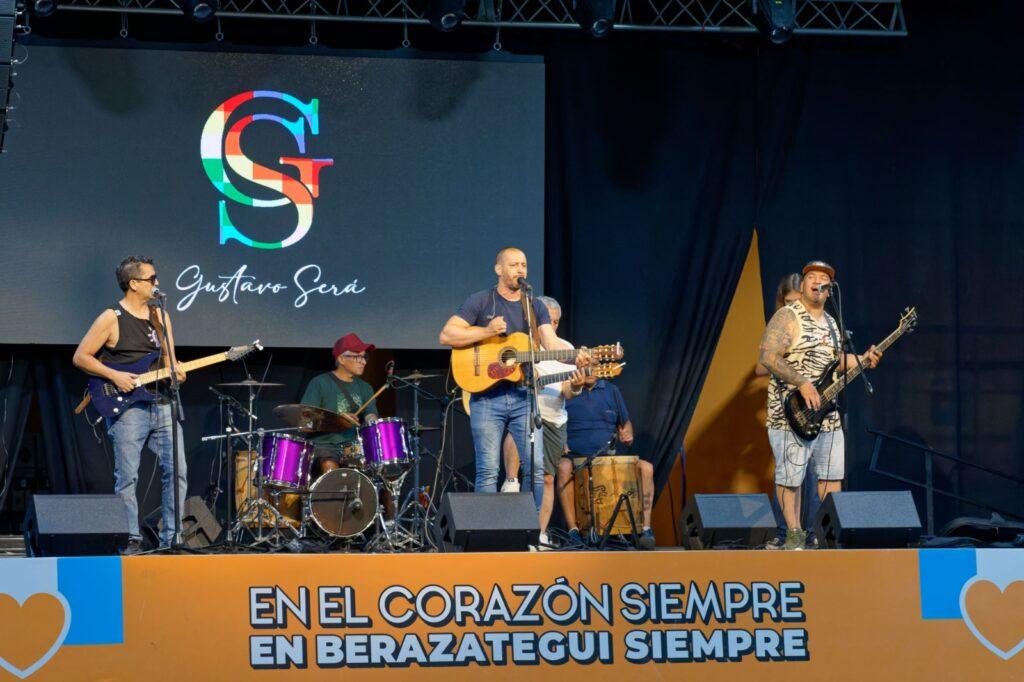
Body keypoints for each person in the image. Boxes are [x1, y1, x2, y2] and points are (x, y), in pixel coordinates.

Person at [439, 247, 588, 508]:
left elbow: (551, 343)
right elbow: (447, 335)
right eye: (514, 265)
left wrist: (576, 356)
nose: (520, 270)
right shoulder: (480, 301)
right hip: (486, 397)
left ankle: (529, 527)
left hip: (524, 396)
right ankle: (486, 531)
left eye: (524, 265)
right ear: (498, 269)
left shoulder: (534, 306)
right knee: (488, 470)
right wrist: (486, 331)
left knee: (536, 468)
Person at [758, 260, 882, 550]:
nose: (817, 281)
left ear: (829, 290)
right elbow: (768, 356)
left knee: (831, 473)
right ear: (803, 285)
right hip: (791, 412)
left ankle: (825, 532)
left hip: (826, 412)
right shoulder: (787, 316)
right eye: (811, 277)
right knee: (791, 476)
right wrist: (802, 382)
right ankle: (794, 533)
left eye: (823, 278)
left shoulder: (831, 322)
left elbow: (834, 363)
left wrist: (863, 360)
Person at [72, 256, 188, 552]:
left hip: (162, 401)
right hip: (128, 407)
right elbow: (81, 357)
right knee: (127, 477)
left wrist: (177, 370)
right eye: (152, 279)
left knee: (177, 471)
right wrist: (115, 375)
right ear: (134, 283)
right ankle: (130, 539)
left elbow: (170, 359)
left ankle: (172, 539)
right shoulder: (111, 317)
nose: (157, 283)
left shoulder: (160, 316)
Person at [494, 297, 585, 547]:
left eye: (556, 322)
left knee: (547, 479)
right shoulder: (520, 343)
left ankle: (540, 533)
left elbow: (567, 391)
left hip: (554, 419)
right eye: (548, 321)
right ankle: (511, 480)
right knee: (518, 422)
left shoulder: (565, 348)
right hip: (524, 411)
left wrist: (576, 386)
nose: (552, 326)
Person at [556, 375, 656, 550]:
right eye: (585, 365)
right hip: (575, 455)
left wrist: (628, 433)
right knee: (563, 467)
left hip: (608, 456)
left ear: (600, 367)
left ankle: (645, 530)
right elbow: (553, 421)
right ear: (578, 366)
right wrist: (560, 441)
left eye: (593, 365)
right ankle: (573, 531)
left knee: (646, 468)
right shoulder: (566, 389)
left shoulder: (612, 390)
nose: (589, 370)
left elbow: (625, 423)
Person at [300, 333, 379, 475]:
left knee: (378, 470)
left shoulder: (366, 388)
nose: (363, 362)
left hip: (353, 448)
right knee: (330, 466)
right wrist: (337, 420)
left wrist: (373, 422)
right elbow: (305, 424)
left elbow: (370, 413)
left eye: (364, 357)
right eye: (357, 357)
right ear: (341, 359)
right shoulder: (320, 383)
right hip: (324, 445)